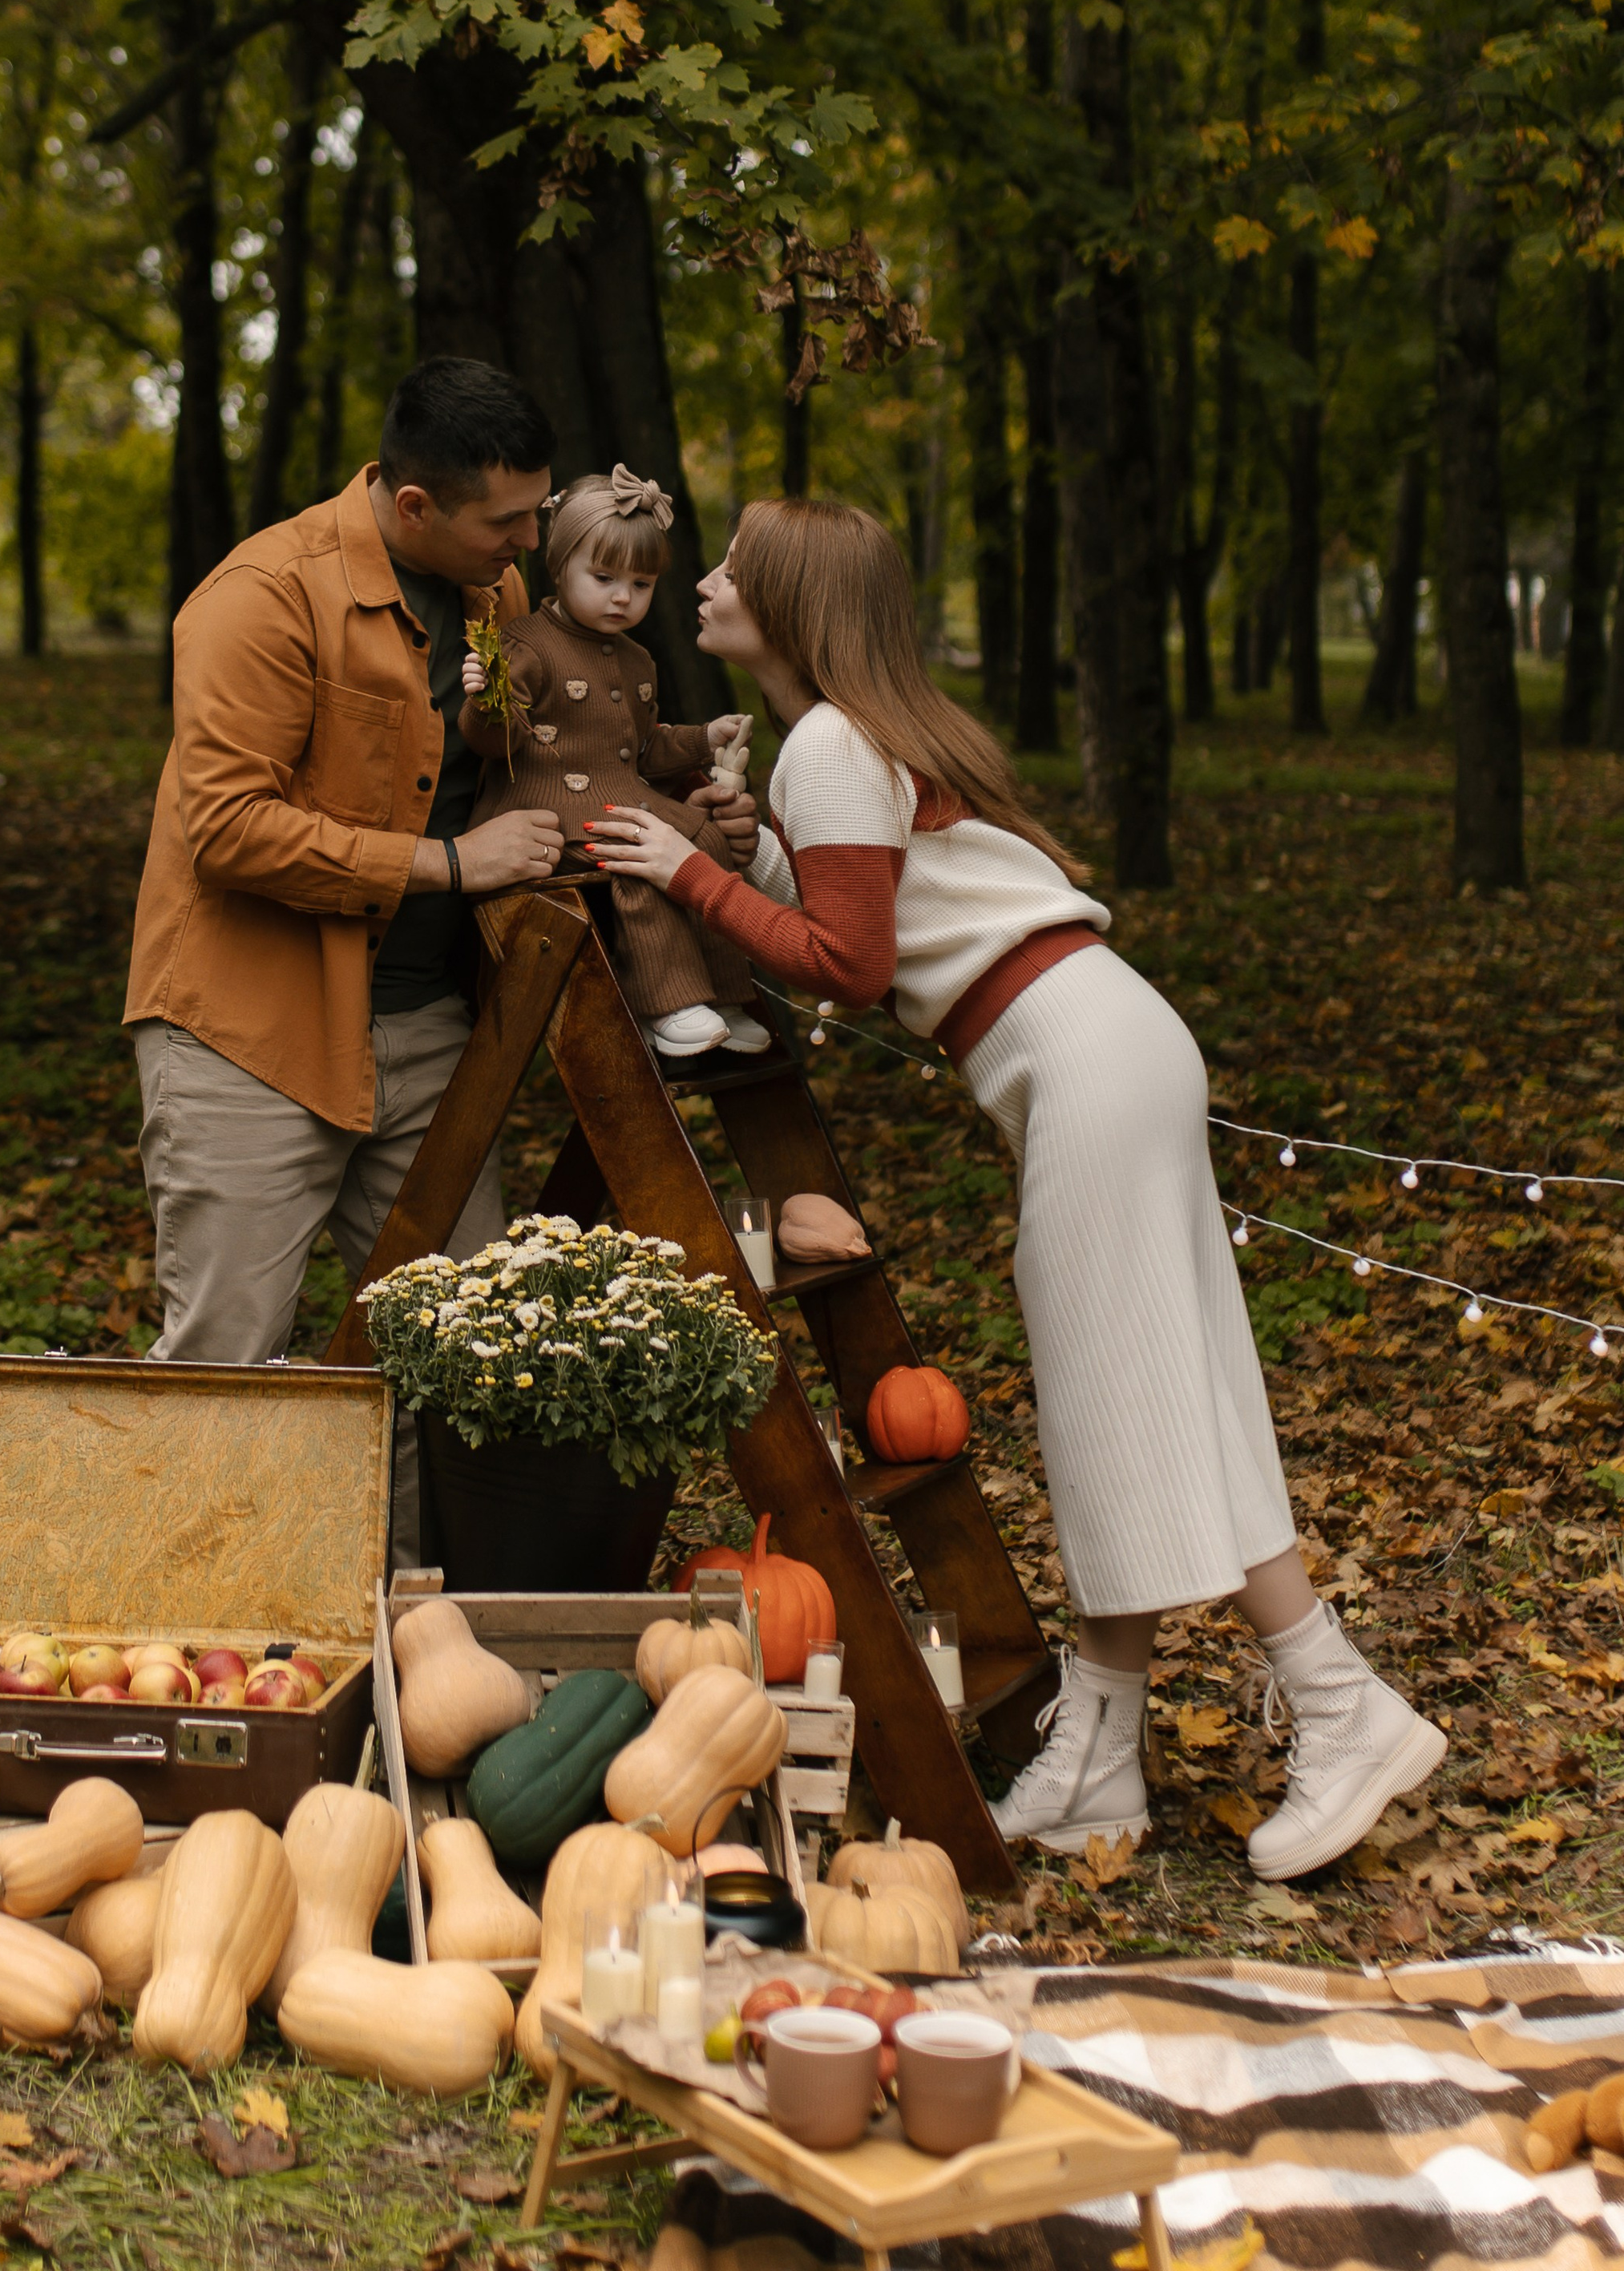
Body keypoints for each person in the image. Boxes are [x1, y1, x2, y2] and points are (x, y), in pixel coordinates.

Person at [583, 497, 1446, 1885]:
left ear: (791, 600)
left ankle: (1341, 1707)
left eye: (738, 563)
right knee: (1172, 1385)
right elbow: (870, 910)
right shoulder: (845, 744)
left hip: (1082, 1058)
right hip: (1100, 1043)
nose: (712, 576)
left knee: (1127, 1400)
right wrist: (744, 858)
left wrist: (687, 870)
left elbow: (852, 967)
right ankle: (1102, 1753)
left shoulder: (830, 745)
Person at [124, 358, 566, 1396]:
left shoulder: (496, 590)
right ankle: (207, 1568)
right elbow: (229, 829)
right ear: (415, 505)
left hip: (428, 1031)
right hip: (248, 1037)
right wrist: (454, 867)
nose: (530, 543)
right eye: (507, 520)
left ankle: (408, 1567)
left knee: (462, 1361)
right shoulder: (261, 598)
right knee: (227, 1369)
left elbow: (509, 760)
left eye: (536, 513)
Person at [458, 465, 766, 1057]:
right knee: (637, 852)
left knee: (708, 838)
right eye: (603, 577)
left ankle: (727, 993)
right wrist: (487, 699)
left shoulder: (637, 659)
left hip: (620, 792)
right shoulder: (526, 643)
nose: (623, 597)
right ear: (560, 564)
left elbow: (643, 751)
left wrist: (704, 738)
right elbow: (498, 741)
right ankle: (666, 1003)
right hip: (546, 803)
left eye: (641, 584)